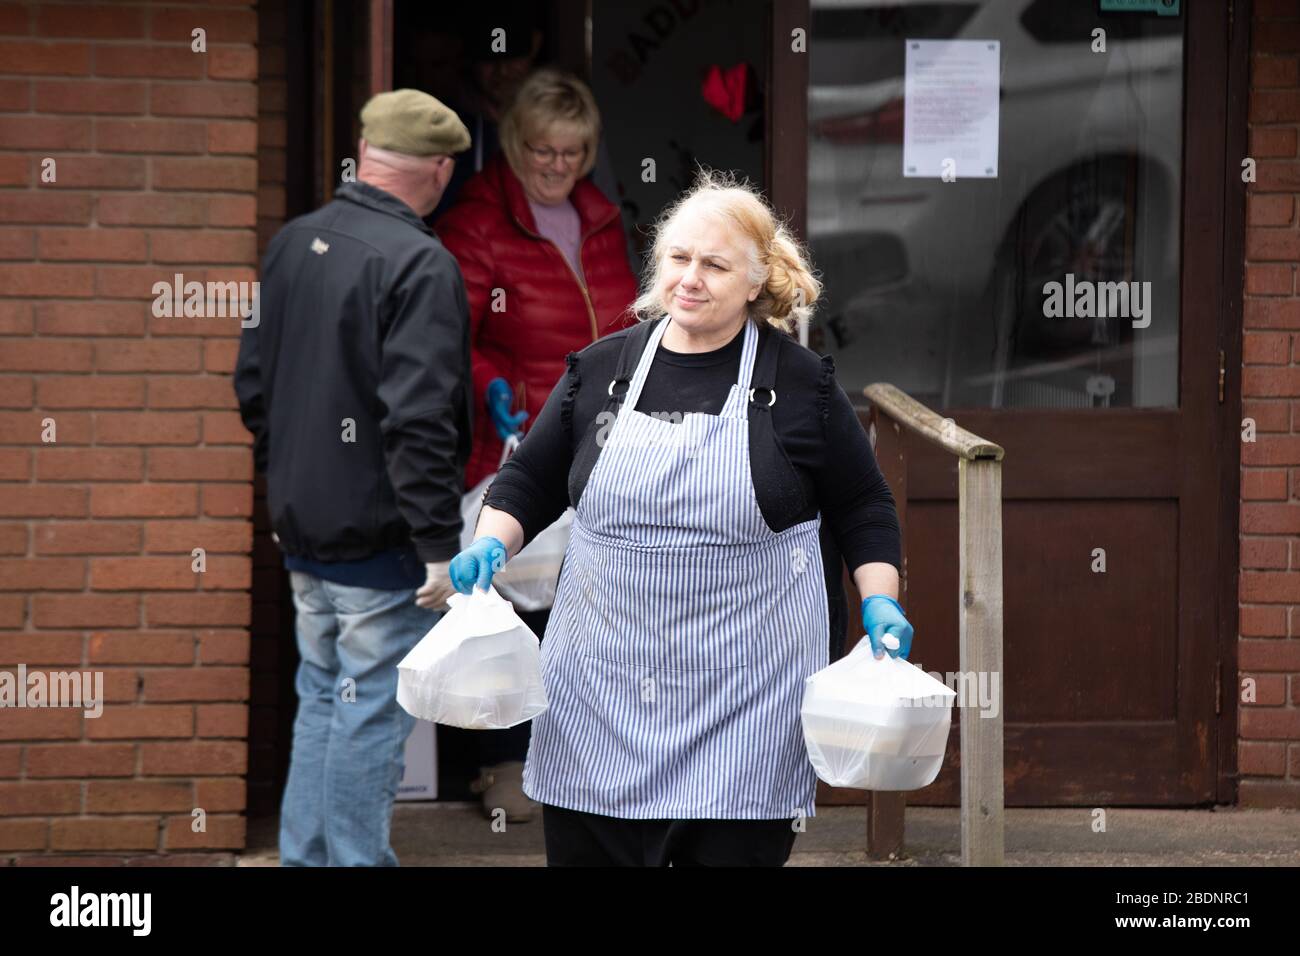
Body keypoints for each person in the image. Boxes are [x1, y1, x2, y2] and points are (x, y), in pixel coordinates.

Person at [446, 169, 911, 867]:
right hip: (598, 696)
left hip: (745, 706)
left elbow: (863, 503)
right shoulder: (598, 372)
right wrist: (492, 542)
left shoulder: (800, 385)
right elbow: (530, 479)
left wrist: (880, 599)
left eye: (715, 265)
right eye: (678, 259)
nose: (690, 278)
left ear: (756, 281)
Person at [234, 89, 472, 866]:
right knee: (368, 710)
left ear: (366, 156)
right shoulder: (420, 263)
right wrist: (440, 544)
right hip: (380, 542)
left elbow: (253, 391)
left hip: (304, 530)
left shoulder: (292, 243)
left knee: (322, 698)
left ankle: (309, 860)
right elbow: (418, 420)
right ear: (439, 170)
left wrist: (286, 491)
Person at [433, 67, 638, 822]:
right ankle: (503, 760)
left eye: (573, 153)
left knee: (594, 601)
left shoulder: (603, 218)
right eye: (544, 151)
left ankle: (579, 754)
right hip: (515, 446)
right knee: (515, 602)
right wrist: (495, 385)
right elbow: (451, 334)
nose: (558, 166)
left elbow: (629, 328)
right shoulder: (478, 220)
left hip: (604, 446)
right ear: (516, 143)